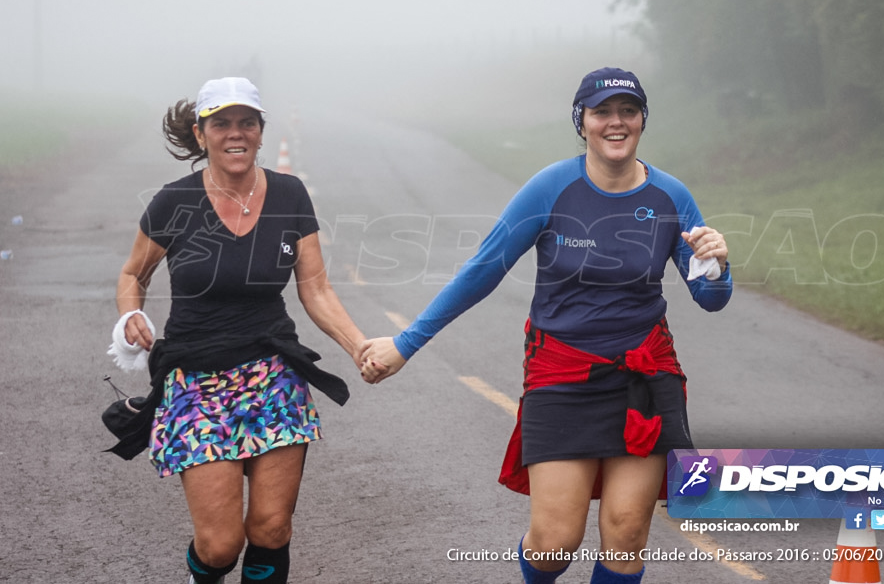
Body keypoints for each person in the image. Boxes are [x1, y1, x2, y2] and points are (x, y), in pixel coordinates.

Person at [360, 67, 732, 583]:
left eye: (628, 110)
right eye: (602, 112)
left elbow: (711, 298)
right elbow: (482, 273)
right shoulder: (551, 189)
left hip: (644, 377)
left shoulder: (670, 196)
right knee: (555, 544)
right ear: (581, 122)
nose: (616, 122)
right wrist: (406, 343)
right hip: (562, 375)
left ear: (643, 119)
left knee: (626, 535)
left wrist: (718, 264)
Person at [111, 77, 365, 584]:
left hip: (273, 373)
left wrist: (358, 346)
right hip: (195, 380)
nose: (236, 133)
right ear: (200, 133)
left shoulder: (290, 194)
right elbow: (132, 274)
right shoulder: (173, 201)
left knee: (271, 528)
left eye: (247, 122)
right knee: (221, 543)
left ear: (260, 131)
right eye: (221, 123)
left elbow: (315, 290)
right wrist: (130, 316)